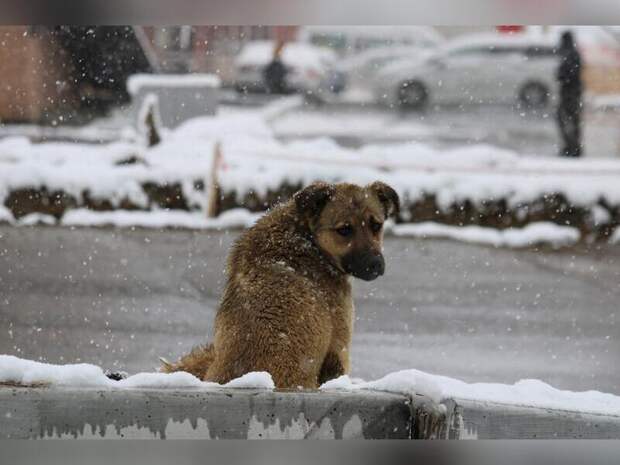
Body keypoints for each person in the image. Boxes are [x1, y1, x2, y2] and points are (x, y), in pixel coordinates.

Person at [556, 30, 583, 157]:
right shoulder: (572, 53)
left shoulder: (569, 54)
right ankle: (573, 147)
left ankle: (572, 147)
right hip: (573, 91)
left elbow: (567, 74)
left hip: (569, 92)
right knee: (572, 120)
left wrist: (561, 75)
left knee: (566, 119)